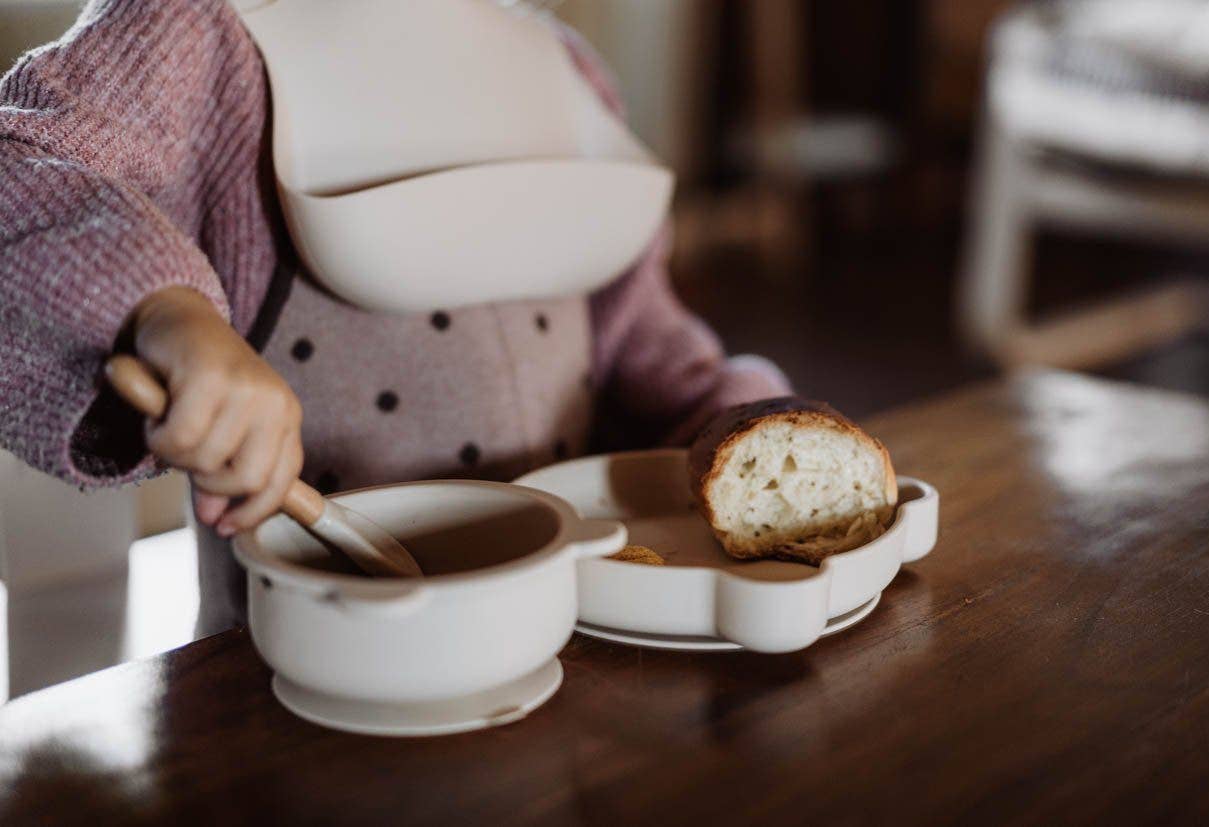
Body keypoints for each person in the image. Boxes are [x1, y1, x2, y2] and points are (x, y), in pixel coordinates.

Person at [0, 0, 789, 634]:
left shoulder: (563, 65)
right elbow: (19, 157)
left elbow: (637, 333)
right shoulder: (195, 33)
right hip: (296, 673)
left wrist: (731, 420)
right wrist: (169, 314)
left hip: (565, 636)